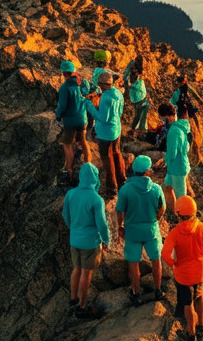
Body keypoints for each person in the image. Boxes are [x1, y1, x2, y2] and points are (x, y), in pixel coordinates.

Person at [161, 196, 203, 341]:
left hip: (184, 275)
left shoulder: (175, 233)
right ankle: (201, 327)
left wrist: (172, 264)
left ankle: (191, 334)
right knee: (200, 296)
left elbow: (165, 253)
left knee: (187, 303)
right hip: (201, 271)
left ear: (178, 213)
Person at [116, 155, 166, 306]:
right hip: (151, 230)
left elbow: (120, 210)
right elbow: (162, 208)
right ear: (147, 172)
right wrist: (156, 219)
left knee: (133, 263)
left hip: (132, 231)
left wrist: (120, 226)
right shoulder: (156, 189)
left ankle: (136, 294)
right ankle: (158, 290)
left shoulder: (125, 190)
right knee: (156, 260)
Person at [62, 162, 110, 319]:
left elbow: (65, 215)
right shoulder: (96, 199)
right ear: (95, 178)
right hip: (90, 242)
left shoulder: (71, 194)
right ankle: (82, 307)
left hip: (74, 240)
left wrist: (73, 228)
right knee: (86, 273)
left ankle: (73, 299)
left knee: (76, 269)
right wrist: (106, 240)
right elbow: (101, 224)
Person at [85, 71, 125, 197]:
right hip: (116, 129)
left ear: (103, 84)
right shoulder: (117, 92)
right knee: (117, 152)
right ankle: (122, 180)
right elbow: (119, 111)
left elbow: (103, 118)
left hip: (106, 133)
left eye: (99, 84)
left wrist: (90, 106)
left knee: (107, 160)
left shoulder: (106, 98)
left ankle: (112, 188)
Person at [55, 59, 91, 183]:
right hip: (82, 119)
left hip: (70, 122)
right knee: (83, 141)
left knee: (67, 143)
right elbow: (87, 92)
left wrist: (58, 116)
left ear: (64, 73)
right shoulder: (81, 82)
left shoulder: (65, 88)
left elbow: (62, 106)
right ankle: (88, 165)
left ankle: (68, 169)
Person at [157, 101, 192, 217]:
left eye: (162, 118)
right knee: (167, 188)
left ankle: (184, 216)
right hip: (179, 165)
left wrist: (164, 161)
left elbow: (172, 153)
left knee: (182, 197)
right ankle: (175, 212)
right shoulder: (182, 125)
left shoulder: (173, 131)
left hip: (177, 169)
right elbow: (186, 146)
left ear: (168, 116)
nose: (162, 121)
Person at [171, 73, 203, 160]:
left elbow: (172, 102)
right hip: (188, 114)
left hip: (183, 114)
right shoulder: (186, 89)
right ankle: (194, 155)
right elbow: (196, 96)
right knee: (192, 133)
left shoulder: (178, 92)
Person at [123, 54, 150, 138]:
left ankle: (134, 131)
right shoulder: (137, 75)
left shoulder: (132, 72)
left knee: (138, 116)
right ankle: (139, 133)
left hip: (137, 98)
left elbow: (125, 76)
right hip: (141, 97)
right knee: (141, 117)